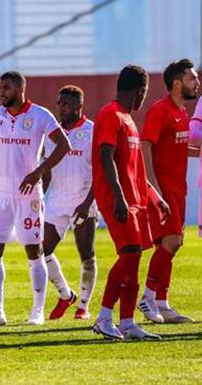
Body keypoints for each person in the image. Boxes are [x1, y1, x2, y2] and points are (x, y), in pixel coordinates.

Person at [0, 71, 70, 327]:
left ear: (20, 89)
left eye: (7, 87)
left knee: (34, 251)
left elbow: (64, 145)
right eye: (0, 87)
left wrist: (39, 171)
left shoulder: (40, 115)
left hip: (27, 196)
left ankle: (37, 311)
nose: (1, 91)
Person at [91, 65, 168, 341]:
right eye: (144, 93)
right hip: (117, 200)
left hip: (135, 202)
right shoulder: (110, 114)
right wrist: (120, 197)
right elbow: (105, 156)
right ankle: (103, 317)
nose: (143, 100)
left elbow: (134, 169)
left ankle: (127, 322)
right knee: (130, 254)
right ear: (140, 90)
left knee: (134, 260)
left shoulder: (128, 119)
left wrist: (153, 197)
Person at [139, 59, 198, 324]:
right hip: (164, 189)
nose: (196, 82)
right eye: (192, 78)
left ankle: (162, 303)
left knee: (170, 246)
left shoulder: (182, 112)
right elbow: (146, 145)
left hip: (179, 188)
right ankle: (148, 298)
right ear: (177, 83)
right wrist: (153, 188)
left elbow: (174, 146)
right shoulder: (160, 110)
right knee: (172, 242)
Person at [41, 85, 98, 321]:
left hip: (83, 200)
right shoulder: (52, 133)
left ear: (78, 106)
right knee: (40, 251)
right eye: (59, 103)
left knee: (87, 254)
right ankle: (66, 294)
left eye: (66, 104)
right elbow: (46, 169)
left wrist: (87, 203)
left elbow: (101, 171)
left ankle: (83, 306)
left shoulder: (92, 130)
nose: (61, 108)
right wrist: (39, 198)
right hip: (56, 200)